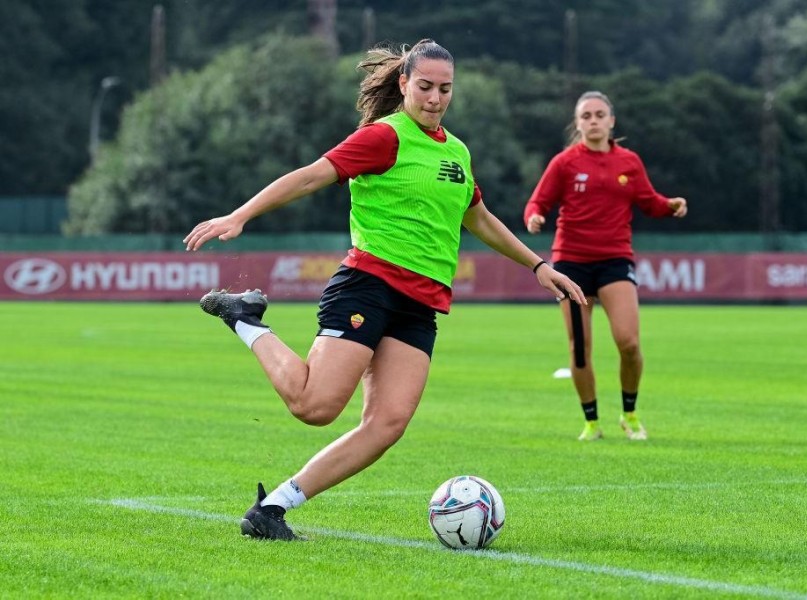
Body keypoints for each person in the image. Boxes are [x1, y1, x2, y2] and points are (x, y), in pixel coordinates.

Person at [183, 39, 587, 541]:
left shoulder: (457, 151)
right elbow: (312, 177)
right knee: (315, 407)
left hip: (420, 306)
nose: (435, 98)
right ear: (403, 84)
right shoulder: (385, 137)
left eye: (445, 89)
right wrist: (240, 215)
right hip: (368, 287)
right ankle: (245, 318)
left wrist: (537, 265)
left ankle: (272, 508)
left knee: (387, 425)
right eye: (425, 87)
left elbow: (476, 216)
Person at [523, 90, 687, 443]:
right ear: (578, 123)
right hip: (571, 264)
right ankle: (592, 422)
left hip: (615, 259)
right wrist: (534, 216)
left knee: (628, 342)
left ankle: (629, 414)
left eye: (599, 115)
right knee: (579, 349)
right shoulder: (565, 162)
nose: (593, 121)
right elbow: (539, 201)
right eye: (586, 116)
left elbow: (649, 201)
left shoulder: (628, 162)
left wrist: (670, 205)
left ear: (611, 121)